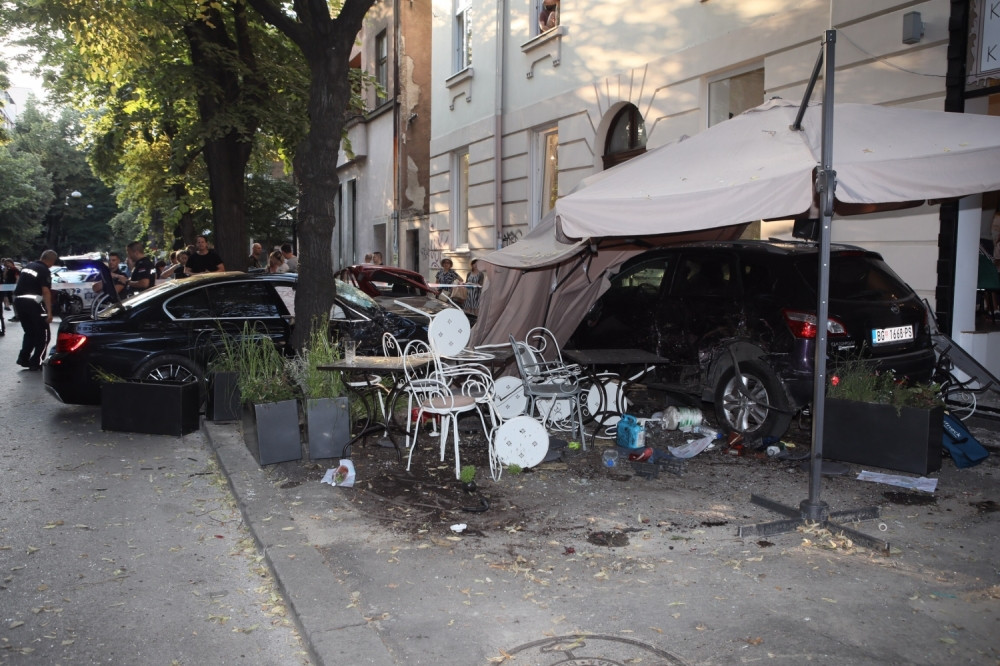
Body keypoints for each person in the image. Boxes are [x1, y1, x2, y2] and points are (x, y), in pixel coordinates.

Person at [14, 249, 57, 371]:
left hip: (19, 302)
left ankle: (23, 358)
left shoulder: (28, 266)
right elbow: (45, 291)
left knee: (30, 333)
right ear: (51, 261)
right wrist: (49, 312)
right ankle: (36, 362)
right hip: (33, 304)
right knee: (43, 335)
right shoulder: (44, 270)